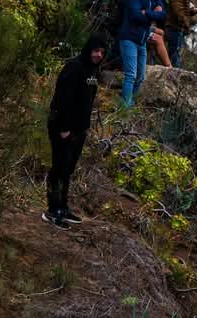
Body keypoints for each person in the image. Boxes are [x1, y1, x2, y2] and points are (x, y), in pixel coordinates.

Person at [44, 34, 109, 229]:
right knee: (59, 168)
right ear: (88, 49)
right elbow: (62, 99)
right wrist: (64, 128)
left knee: (68, 170)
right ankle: (52, 210)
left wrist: (83, 127)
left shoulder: (93, 71)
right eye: (96, 51)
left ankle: (62, 207)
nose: (98, 55)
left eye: (102, 52)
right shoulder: (74, 67)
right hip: (62, 127)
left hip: (79, 129)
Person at [118, 0, 166, 108]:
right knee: (131, 75)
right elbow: (136, 16)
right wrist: (154, 14)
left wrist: (147, 13)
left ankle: (131, 104)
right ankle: (125, 107)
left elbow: (163, 15)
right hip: (129, 39)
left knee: (141, 77)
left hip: (142, 42)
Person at [164, 0, 197, 68]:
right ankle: (173, 73)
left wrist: (192, 11)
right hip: (175, 28)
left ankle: (174, 71)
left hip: (178, 28)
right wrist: (186, 24)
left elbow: (183, 11)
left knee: (176, 54)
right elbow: (178, 12)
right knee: (174, 56)